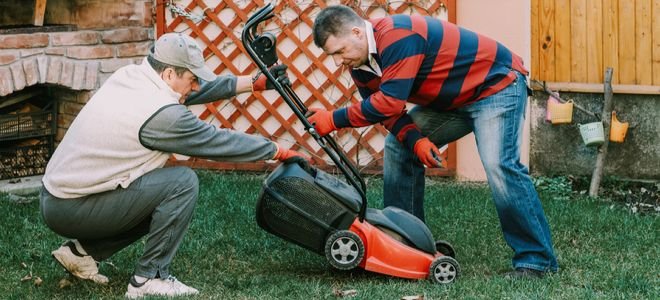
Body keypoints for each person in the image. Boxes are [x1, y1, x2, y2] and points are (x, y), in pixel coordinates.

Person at [40, 32, 307, 298]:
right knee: (180, 185)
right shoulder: (163, 116)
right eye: (192, 79)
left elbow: (190, 93)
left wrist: (254, 83)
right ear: (169, 74)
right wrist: (278, 151)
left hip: (59, 198)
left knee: (155, 196)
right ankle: (148, 278)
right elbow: (217, 141)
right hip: (71, 207)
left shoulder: (132, 77)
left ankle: (81, 252)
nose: (196, 87)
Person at [308, 5, 558, 278]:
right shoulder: (361, 65)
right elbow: (388, 112)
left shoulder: (397, 35)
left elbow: (388, 102)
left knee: (500, 165)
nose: (337, 62)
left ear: (357, 32)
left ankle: (537, 260)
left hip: (495, 86)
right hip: (453, 101)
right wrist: (415, 141)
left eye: (339, 52)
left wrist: (333, 119)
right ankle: (405, 246)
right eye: (332, 55)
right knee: (398, 146)